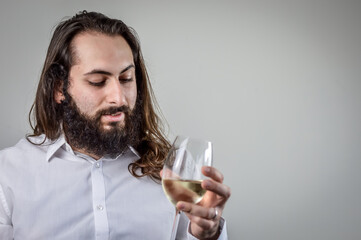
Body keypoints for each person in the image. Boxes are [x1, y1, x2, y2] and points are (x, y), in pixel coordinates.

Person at [0, 11, 231, 240]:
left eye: (126, 79)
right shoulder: (9, 173)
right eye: (97, 82)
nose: (118, 98)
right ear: (60, 89)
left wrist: (207, 235)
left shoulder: (173, 173)